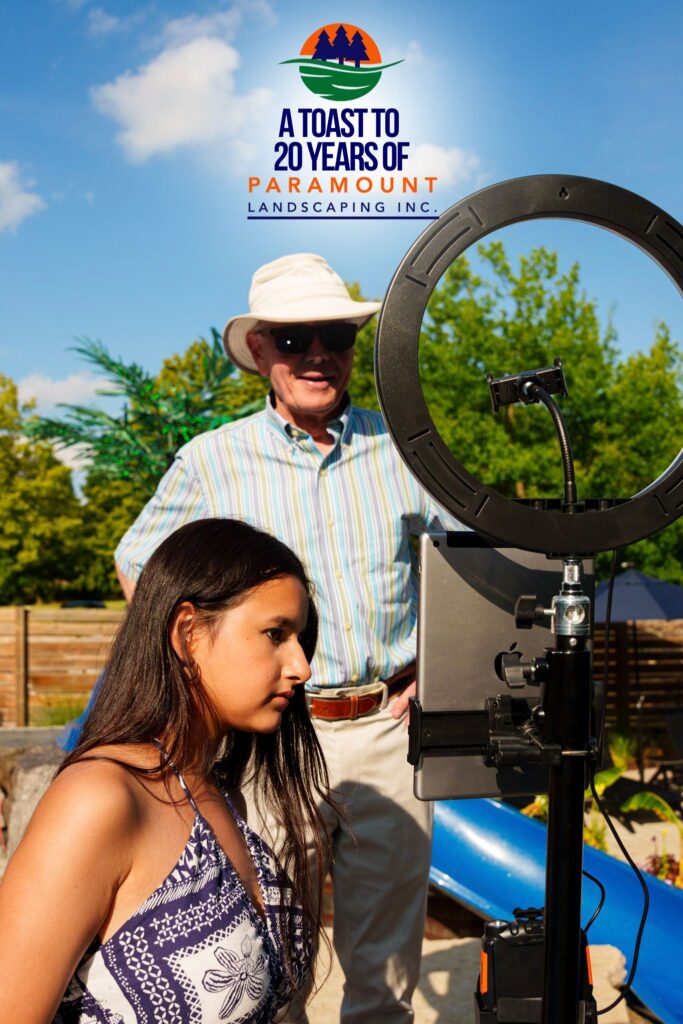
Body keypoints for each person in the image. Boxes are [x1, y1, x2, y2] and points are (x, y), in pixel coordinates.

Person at [113, 252, 464, 1023]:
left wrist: (440, 662)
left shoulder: (406, 450)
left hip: (384, 730)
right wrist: (199, 676)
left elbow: (465, 564)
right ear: (262, 352)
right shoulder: (213, 460)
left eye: (333, 334)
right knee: (266, 958)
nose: (317, 353)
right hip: (269, 736)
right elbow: (138, 564)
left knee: (387, 976)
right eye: (294, 336)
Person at [0, 517, 333, 1024]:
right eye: (275, 634)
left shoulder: (216, 791)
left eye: (300, 639)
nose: (301, 667)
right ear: (188, 632)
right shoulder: (100, 798)